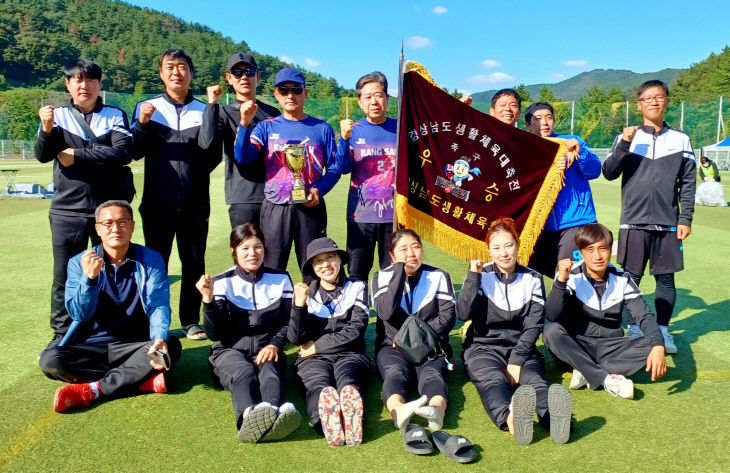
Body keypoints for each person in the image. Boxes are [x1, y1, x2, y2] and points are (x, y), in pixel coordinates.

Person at [39, 200, 182, 412]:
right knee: (50, 361)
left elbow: (158, 304)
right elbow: (80, 313)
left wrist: (159, 337)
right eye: (108, 223)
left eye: (123, 222)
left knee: (172, 347)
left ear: (132, 226)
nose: (115, 229)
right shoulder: (79, 262)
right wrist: (90, 279)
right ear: (97, 228)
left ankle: (95, 389)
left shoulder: (151, 259)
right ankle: (139, 380)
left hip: (134, 345)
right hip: (92, 346)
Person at [35, 58, 134, 349]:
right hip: (67, 209)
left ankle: (110, 329)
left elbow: (123, 153)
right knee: (64, 274)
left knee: (112, 269)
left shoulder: (115, 114)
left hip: (109, 210)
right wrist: (46, 128)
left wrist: (76, 154)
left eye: (90, 80)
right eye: (77, 80)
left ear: (99, 84)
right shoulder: (57, 115)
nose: (84, 85)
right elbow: (43, 154)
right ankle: (62, 334)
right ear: (68, 84)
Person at [457, 217, 572, 445]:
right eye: (496, 248)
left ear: (518, 245)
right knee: (493, 381)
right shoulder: (481, 275)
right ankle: (513, 420)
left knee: (535, 381)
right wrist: (473, 277)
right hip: (483, 347)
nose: (503, 253)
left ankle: (554, 419)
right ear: (489, 250)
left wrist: (517, 359)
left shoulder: (533, 277)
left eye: (508, 245)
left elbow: (534, 323)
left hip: (523, 348)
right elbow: (463, 313)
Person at [132, 49, 221, 340]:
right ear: (161, 73)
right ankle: (153, 321)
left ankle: (190, 320)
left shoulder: (205, 109)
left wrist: (194, 172)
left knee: (194, 262)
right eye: (169, 67)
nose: (176, 72)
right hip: (157, 203)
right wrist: (142, 125)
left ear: (191, 73)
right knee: (156, 263)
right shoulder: (148, 107)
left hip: (195, 203)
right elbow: (134, 151)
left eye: (182, 67)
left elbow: (212, 155)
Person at [602, 80, 696, 354]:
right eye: (648, 98)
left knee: (666, 280)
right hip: (633, 222)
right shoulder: (627, 137)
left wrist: (685, 218)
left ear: (667, 102)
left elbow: (688, 183)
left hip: (668, 224)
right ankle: (634, 328)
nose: (655, 102)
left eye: (660, 97)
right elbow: (609, 172)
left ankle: (664, 332)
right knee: (630, 278)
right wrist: (625, 143)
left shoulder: (681, 140)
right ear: (640, 104)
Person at [196, 223, 300, 443]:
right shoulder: (221, 282)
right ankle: (247, 418)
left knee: (269, 368)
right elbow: (215, 333)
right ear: (234, 251)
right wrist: (208, 300)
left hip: (267, 347)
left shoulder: (281, 278)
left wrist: (274, 345)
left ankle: (274, 412)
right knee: (245, 372)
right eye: (245, 248)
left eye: (258, 247)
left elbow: (286, 322)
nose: (252, 254)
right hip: (228, 350)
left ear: (264, 249)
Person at [542, 223, 667, 400]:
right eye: (590, 250)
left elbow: (644, 316)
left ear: (610, 250)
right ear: (581, 252)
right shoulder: (570, 276)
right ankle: (607, 379)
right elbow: (552, 315)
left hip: (611, 346)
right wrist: (561, 280)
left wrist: (658, 346)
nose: (597, 256)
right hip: (576, 346)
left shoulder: (622, 279)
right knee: (550, 330)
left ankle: (587, 373)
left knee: (653, 345)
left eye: (603, 249)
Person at [234, 67, 340, 273]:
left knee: (315, 267)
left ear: (305, 93)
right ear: (276, 94)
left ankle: (311, 306)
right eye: (284, 90)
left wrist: (320, 190)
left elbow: (335, 168)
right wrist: (244, 124)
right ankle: (275, 306)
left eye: (296, 90)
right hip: (275, 206)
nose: (290, 95)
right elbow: (243, 157)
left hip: (311, 206)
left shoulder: (322, 128)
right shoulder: (266, 127)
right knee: (271, 267)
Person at [370, 229, 459, 449]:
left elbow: (447, 318)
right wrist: (399, 271)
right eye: (403, 249)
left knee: (432, 373)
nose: (411, 253)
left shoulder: (439, 275)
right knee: (395, 373)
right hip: (391, 347)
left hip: (431, 345)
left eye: (416, 247)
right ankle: (399, 410)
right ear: (392, 255)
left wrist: (416, 340)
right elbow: (386, 312)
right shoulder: (381, 276)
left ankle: (436, 410)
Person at [288, 237, 370, 447]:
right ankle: (323, 422)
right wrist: (299, 306)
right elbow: (295, 338)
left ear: (340, 260)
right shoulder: (305, 292)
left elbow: (356, 331)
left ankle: (353, 421)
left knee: (348, 382)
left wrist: (317, 345)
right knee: (318, 385)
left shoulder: (357, 287)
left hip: (349, 353)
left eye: (330, 257)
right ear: (313, 268)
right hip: (313, 359)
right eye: (318, 261)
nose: (325, 265)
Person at [199, 52, 281, 228]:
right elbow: (206, 143)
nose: (244, 76)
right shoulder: (223, 112)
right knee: (247, 254)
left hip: (276, 196)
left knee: (274, 255)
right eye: (237, 72)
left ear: (258, 76)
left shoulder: (273, 114)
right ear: (229, 78)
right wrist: (212, 104)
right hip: (243, 198)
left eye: (249, 72)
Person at [524, 102, 602, 277]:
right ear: (528, 125)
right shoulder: (523, 148)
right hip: (537, 225)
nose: (544, 122)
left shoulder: (571, 142)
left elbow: (594, 171)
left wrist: (579, 153)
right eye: (538, 119)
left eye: (548, 117)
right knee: (532, 276)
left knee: (571, 276)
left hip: (575, 221)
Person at [337, 72, 396, 282]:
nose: (374, 101)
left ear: (387, 98)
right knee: (356, 273)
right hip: (361, 215)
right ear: (360, 102)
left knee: (392, 274)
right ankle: (357, 315)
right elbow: (342, 168)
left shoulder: (400, 128)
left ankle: (387, 316)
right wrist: (343, 139)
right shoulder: (353, 131)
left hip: (394, 216)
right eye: (368, 97)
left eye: (378, 95)